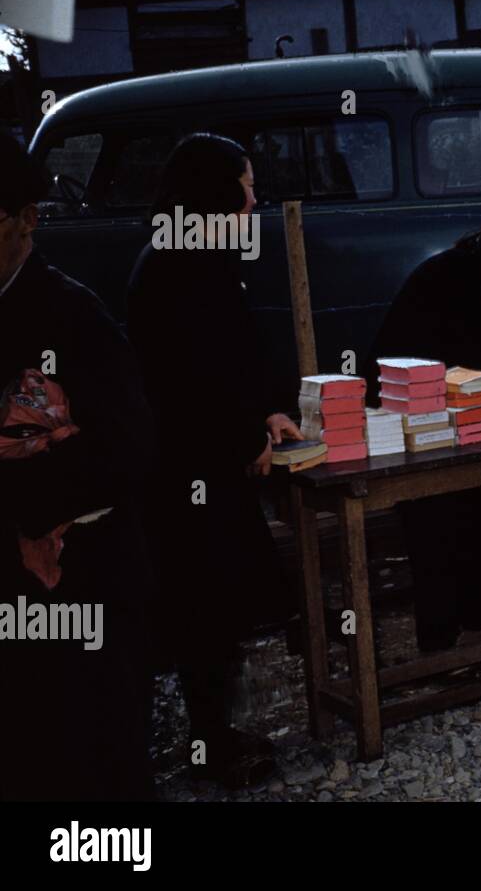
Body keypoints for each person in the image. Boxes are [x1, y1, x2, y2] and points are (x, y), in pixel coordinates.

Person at [126, 133, 302, 789]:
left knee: (217, 608)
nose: (255, 198)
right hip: (187, 474)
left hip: (206, 461)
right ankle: (211, 748)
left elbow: (231, 359)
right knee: (203, 607)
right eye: (246, 185)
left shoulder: (198, 253)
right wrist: (242, 439)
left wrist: (263, 415)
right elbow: (188, 381)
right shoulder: (178, 263)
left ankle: (217, 733)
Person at [0, 135, 157, 800]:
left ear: (26, 217)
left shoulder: (73, 315)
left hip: (84, 578)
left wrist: (28, 493)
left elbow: (131, 450)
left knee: (92, 756)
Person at [364, 223, 481, 651]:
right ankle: (450, 640)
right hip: (416, 425)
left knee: (451, 523)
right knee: (444, 525)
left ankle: (460, 632)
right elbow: (474, 358)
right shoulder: (460, 282)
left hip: (408, 414)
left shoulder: (446, 269)